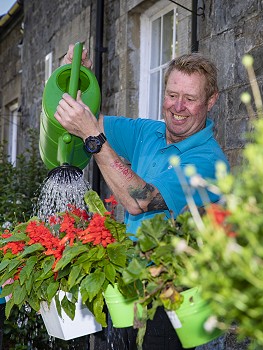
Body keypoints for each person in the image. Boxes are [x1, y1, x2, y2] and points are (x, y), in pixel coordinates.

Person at [55, 44, 230, 350]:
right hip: (137, 297)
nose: (178, 106)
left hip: (184, 308)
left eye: (190, 99)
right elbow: (83, 119)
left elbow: (141, 200)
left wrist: (94, 140)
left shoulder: (209, 162)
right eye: (172, 95)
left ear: (211, 101)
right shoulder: (147, 133)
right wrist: (76, 77)